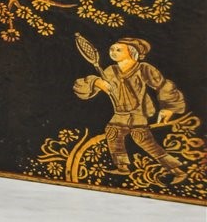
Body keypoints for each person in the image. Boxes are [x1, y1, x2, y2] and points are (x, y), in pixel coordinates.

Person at [73, 37, 188, 180]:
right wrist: (96, 82)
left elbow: (163, 85)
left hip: (138, 113)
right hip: (120, 113)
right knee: (113, 132)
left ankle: (177, 171)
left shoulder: (143, 68)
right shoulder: (110, 70)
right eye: (112, 49)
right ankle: (122, 167)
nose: (113, 52)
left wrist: (169, 108)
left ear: (132, 52)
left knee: (143, 140)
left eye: (118, 50)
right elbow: (85, 86)